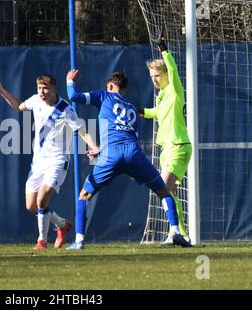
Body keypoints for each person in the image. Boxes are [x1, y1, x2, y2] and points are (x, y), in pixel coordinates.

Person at [66, 69, 192, 249]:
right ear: (124, 89)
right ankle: (176, 232)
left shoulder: (104, 96)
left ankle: (78, 241)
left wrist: (70, 81)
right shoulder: (132, 107)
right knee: (163, 192)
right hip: (133, 153)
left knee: (84, 195)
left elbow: (74, 96)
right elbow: (124, 134)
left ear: (110, 85)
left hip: (112, 154)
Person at [0, 74, 98, 250]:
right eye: (39, 88)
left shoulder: (66, 110)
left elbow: (83, 131)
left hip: (57, 160)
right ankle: (62, 224)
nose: (42, 91)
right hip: (38, 162)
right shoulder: (35, 100)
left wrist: (95, 147)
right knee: (32, 206)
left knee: (42, 198)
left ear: (53, 88)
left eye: (45, 88)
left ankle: (41, 241)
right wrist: (0, 90)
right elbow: (18, 106)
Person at [139, 34, 192, 245]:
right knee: (169, 192)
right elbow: (157, 113)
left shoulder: (175, 89)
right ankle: (180, 233)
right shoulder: (161, 95)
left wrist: (164, 50)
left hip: (178, 145)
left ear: (166, 74)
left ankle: (175, 233)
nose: (154, 79)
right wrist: (139, 111)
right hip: (167, 148)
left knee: (162, 187)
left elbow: (174, 70)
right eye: (152, 76)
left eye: (157, 75)